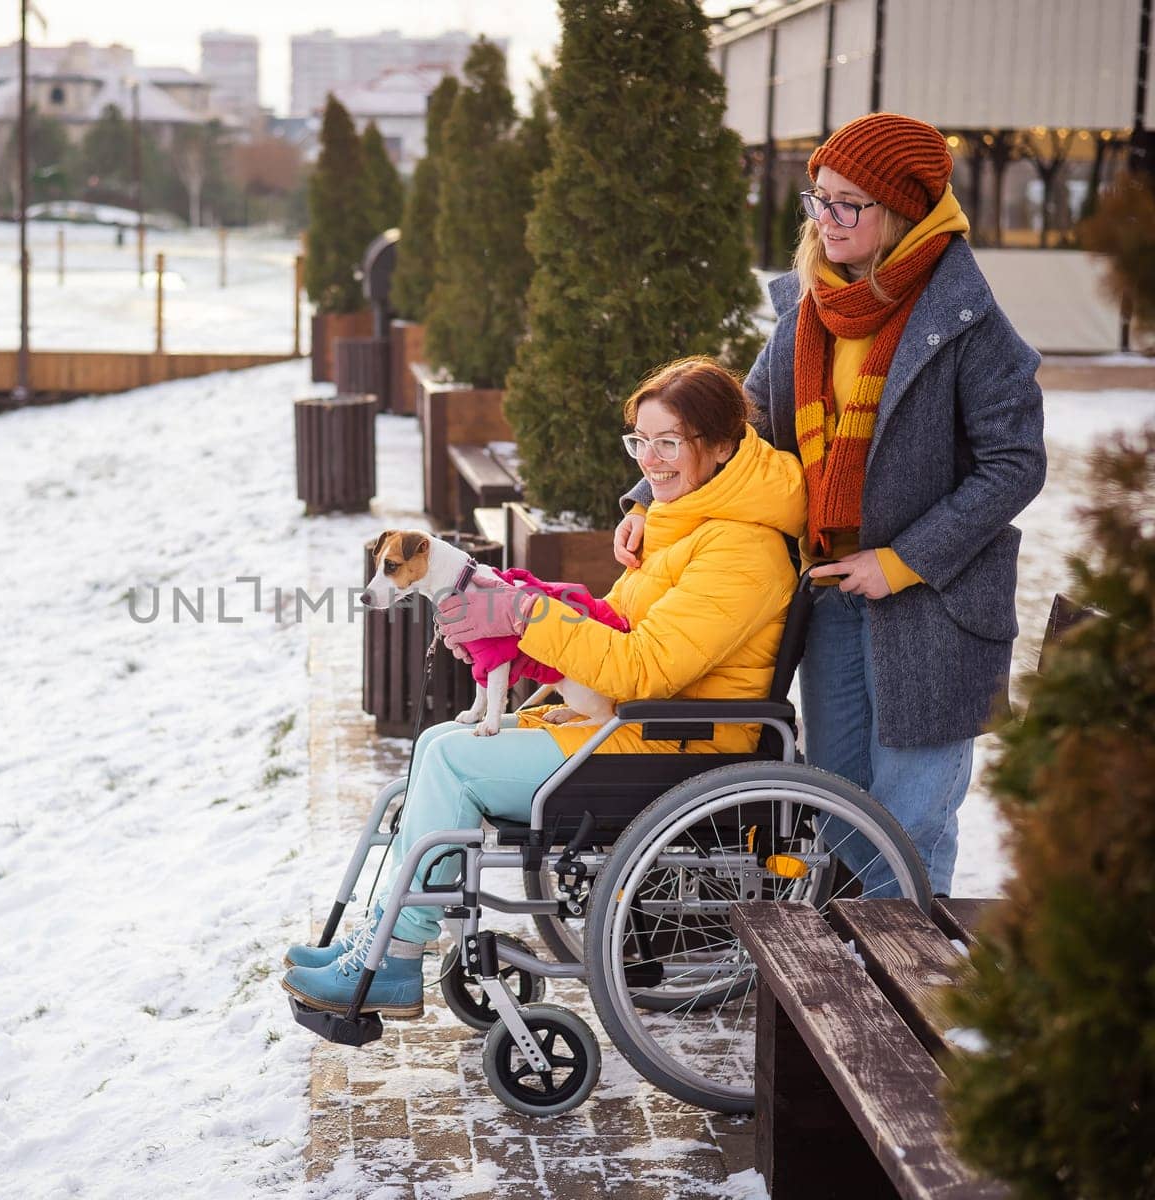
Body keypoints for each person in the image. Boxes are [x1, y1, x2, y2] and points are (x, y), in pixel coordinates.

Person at [282, 357, 807, 1017]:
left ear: (723, 446)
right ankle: (381, 935)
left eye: (668, 442)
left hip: (669, 747)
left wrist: (528, 616)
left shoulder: (738, 552)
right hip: (628, 727)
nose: (650, 460)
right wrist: (529, 633)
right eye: (639, 441)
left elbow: (642, 667)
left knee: (451, 757)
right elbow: (610, 637)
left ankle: (395, 953)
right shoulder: (686, 527)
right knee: (443, 740)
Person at [615, 113, 1046, 897]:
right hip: (830, 594)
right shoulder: (808, 312)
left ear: (903, 211)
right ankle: (857, 974)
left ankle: (905, 991)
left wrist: (904, 561)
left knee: (911, 818)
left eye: (850, 204)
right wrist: (655, 494)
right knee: (839, 805)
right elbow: (739, 426)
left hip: (933, 607)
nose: (827, 219)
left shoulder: (967, 322)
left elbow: (1014, 464)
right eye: (820, 200)